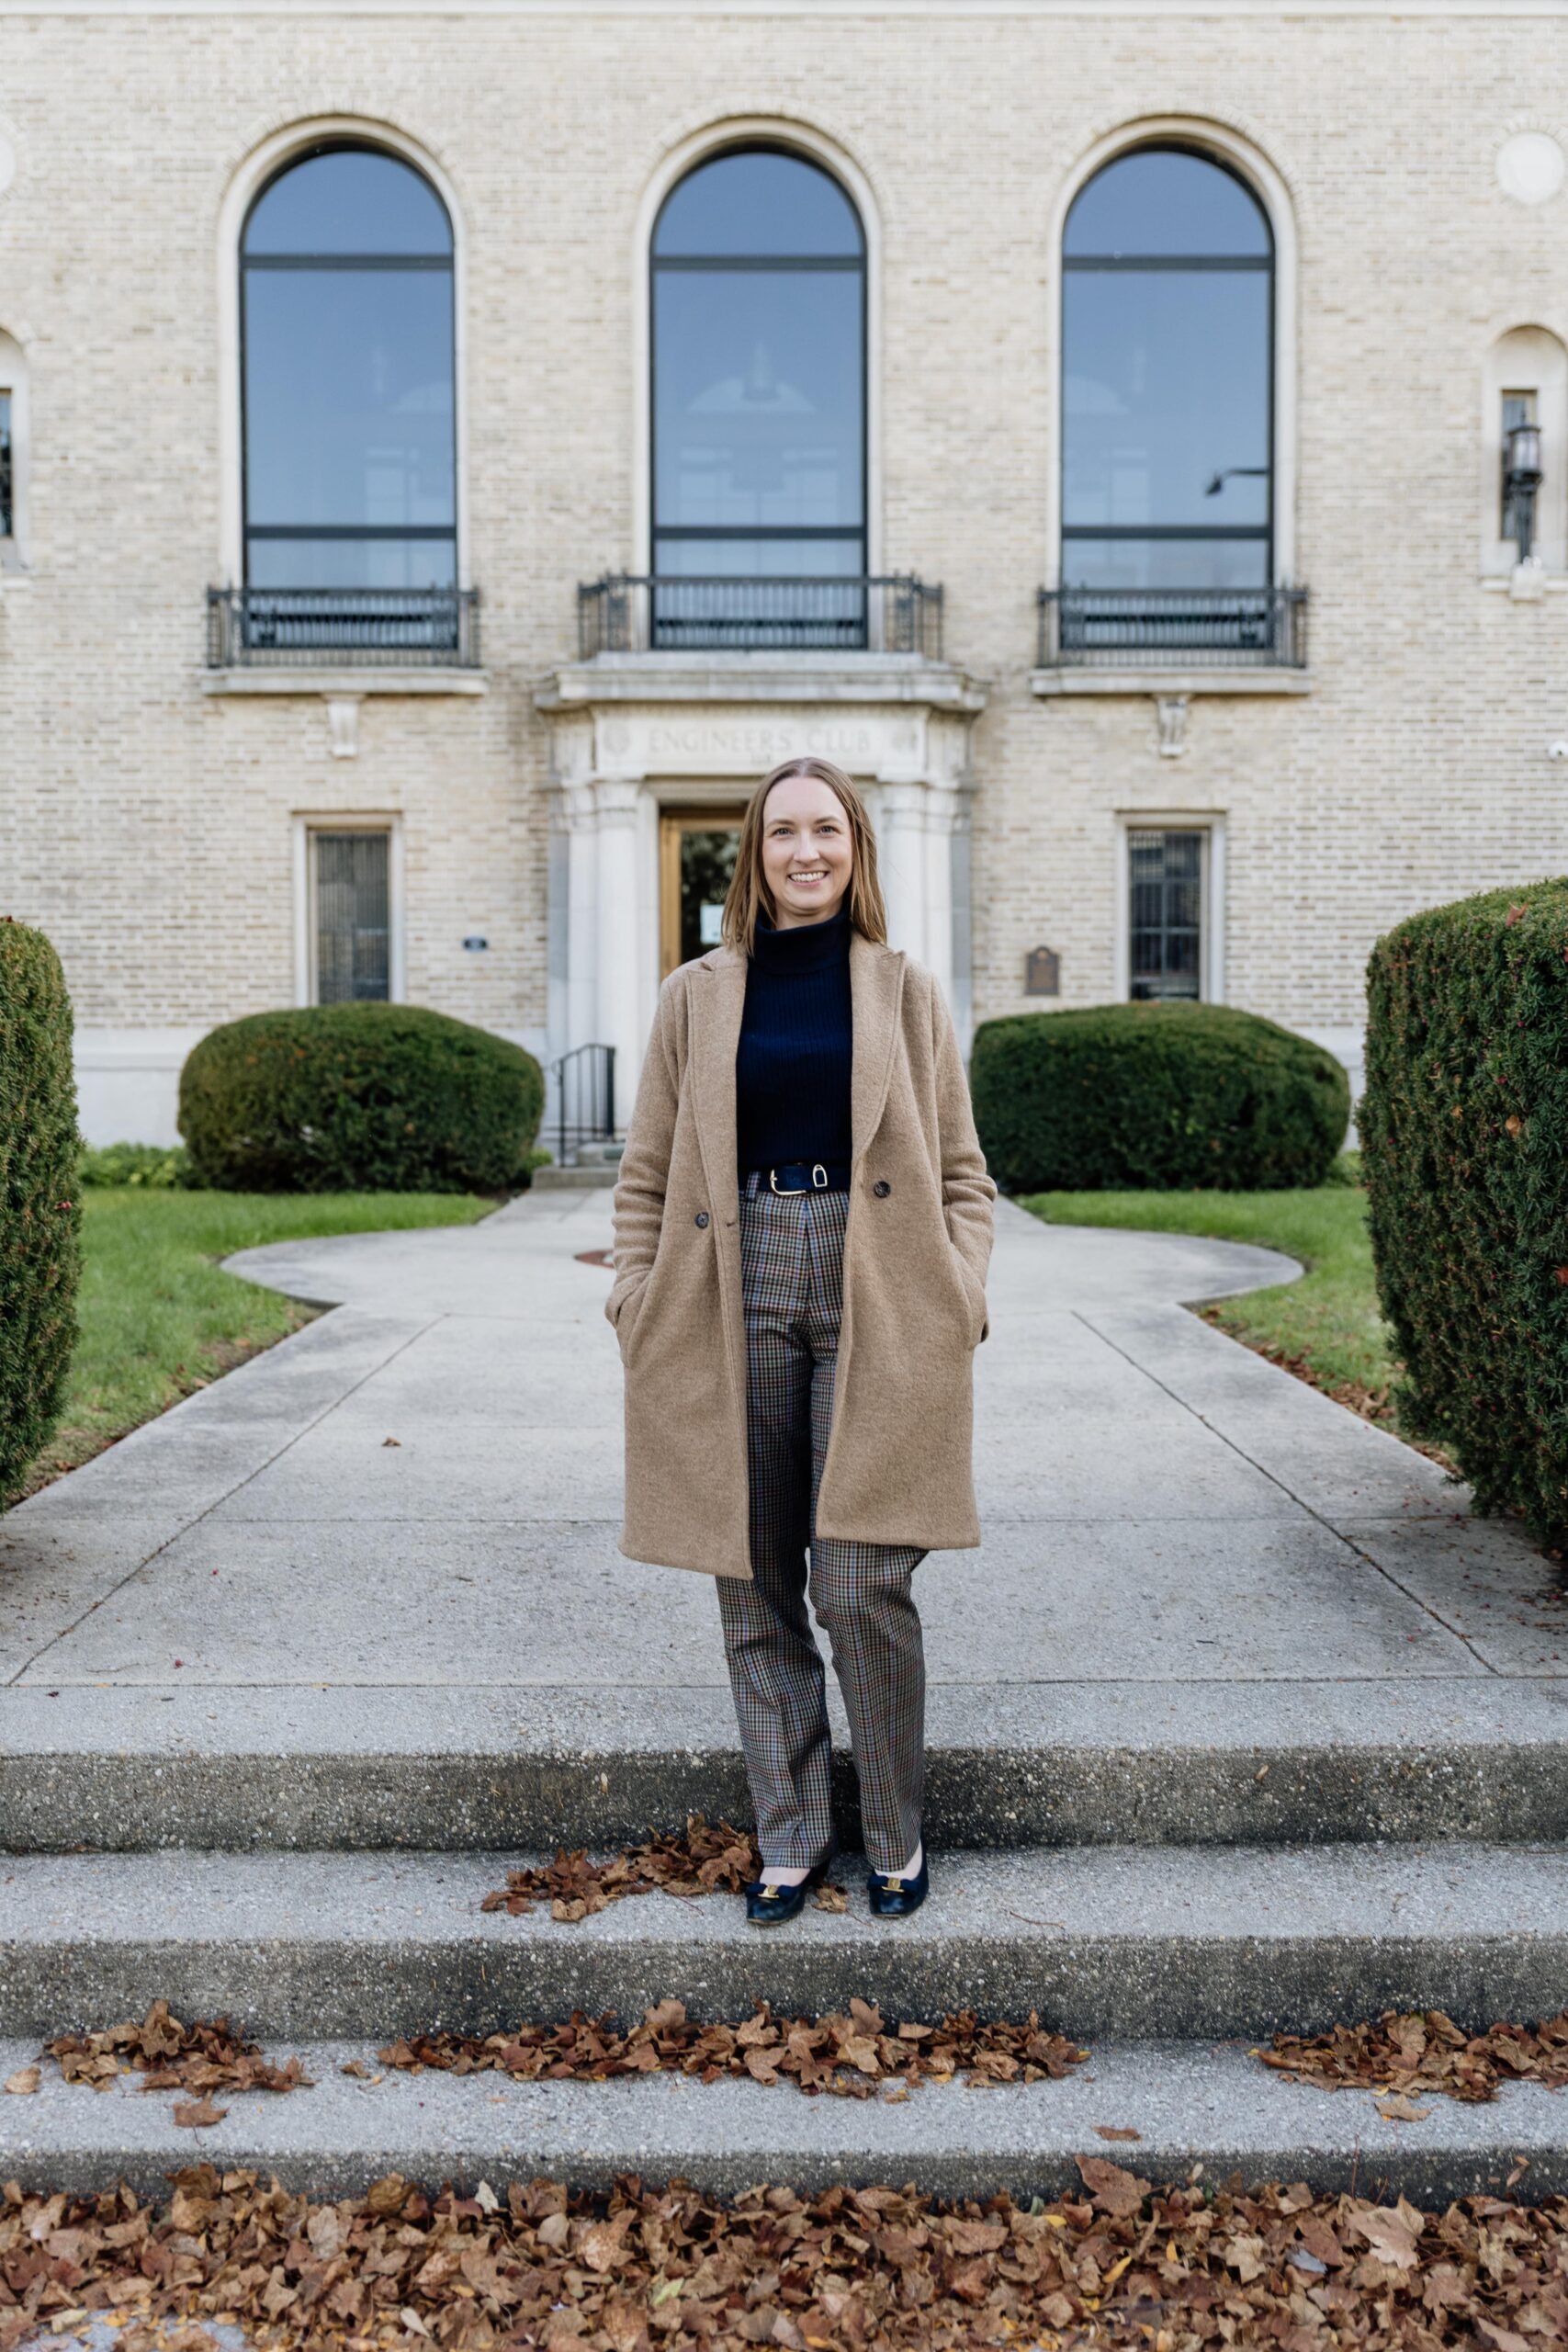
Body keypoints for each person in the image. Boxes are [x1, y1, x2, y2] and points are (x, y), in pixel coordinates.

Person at [605, 755, 996, 1925]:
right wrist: (635, 1295)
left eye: (826, 829)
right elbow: (643, 1175)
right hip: (732, 1277)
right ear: (755, 853)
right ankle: (789, 1836)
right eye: (784, 832)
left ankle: (894, 1830)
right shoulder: (697, 994)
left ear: (855, 847)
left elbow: (965, 1174)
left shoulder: (906, 992)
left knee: (864, 1576)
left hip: (879, 1280)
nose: (806, 850)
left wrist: (961, 1290)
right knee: (753, 1571)